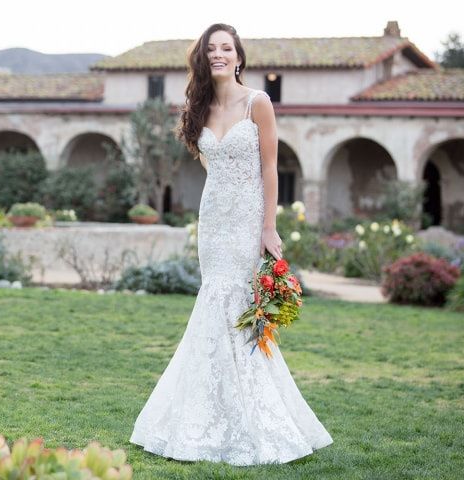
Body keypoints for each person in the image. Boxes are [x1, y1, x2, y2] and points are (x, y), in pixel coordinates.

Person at [128, 23, 334, 466]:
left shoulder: (257, 102)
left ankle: (256, 417)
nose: (218, 54)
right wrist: (220, 180)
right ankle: (205, 414)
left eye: (226, 48)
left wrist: (268, 226)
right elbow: (208, 158)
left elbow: (270, 167)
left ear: (238, 57)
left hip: (246, 222)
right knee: (212, 306)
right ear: (202, 58)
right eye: (211, 49)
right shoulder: (198, 108)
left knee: (242, 308)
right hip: (213, 221)